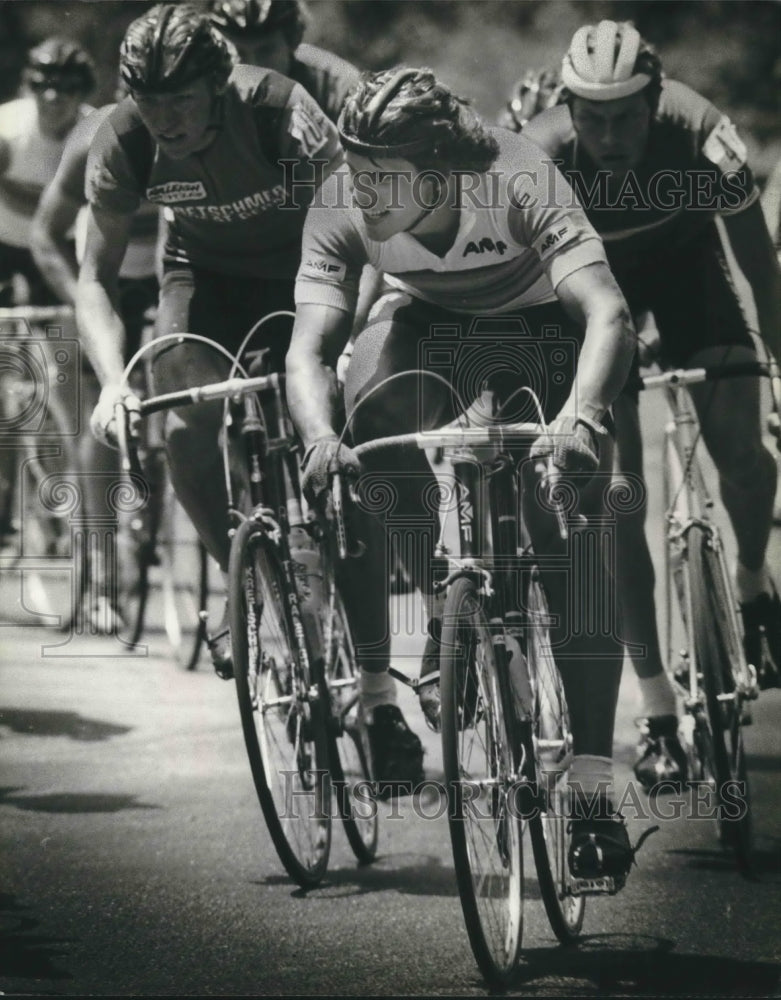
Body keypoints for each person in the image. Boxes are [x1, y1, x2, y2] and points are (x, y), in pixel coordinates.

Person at [286, 66, 648, 881]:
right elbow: (307, 348)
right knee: (365, 410)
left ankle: (591, 794)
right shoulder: (342, 199)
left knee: (569, 534)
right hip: (428, 320)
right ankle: (452, 591)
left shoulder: (517, 176)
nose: (362, 191)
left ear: (443, 170)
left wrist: (582, 419)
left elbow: (604, 311)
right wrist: (317, 440)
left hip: (542, 326)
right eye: (356, 168)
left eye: (384, 176)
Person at [522, 19, 781, 790]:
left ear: (655, 100)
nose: (607, 136)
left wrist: (774, 361)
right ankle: (658, 713)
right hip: (593, 298)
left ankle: (749, 579)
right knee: (615, 499)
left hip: (687, 276)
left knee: (738, 445)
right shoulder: (536, 154)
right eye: (590, 118)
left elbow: (753, 254)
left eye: (625, 117)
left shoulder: (701, 131)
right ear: (567, 108)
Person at [76, 2, 343, 670]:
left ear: (219, 87)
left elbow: (355, 230)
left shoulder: (280, 110)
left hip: (305, 269)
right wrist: (113, 381)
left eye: (181, 102)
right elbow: (94, 278)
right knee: (184, 427)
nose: (162, 119)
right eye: (148, 100)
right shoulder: (124, 137)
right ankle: (238, 573)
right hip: (204, 277)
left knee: (340, 415)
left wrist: (340, 341)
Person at [30, 100, 162, 632]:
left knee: (167, 415)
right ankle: (101, 576)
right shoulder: (92, 137)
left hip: (165, 277)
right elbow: (44, 235)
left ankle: (153, 525)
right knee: (100, 425)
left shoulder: (203, 135)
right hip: (102, 279)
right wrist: (76, 301)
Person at [0, 37, 95, 540]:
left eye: (67, 89)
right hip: (4, 245)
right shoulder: (8, 131)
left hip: (56, 248)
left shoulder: (92, 131)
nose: (54, 98)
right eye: (43, 87)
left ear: (84, 94)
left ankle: (62, 461)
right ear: (28, 88)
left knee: (65, 365)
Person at [206, 0, 359, 123]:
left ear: (293, 40)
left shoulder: (339, 91)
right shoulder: (203, 92)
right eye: (239, 53)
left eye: (265, 51)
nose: (252, 66)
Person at [497, 65, 563, 132]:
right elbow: (532, 109)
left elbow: (519, 88)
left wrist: (529, 84)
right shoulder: (524, 120)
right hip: (545, 101)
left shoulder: (515, 103)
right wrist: (534, 90)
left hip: (539, 90)